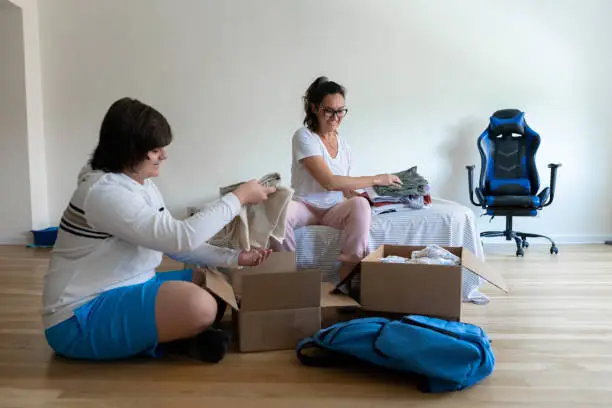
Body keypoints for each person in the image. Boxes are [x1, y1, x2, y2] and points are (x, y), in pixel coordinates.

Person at [42, 97, 276, 363]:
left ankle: (173, 337)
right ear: (128, 150)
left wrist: (235, 258)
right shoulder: (104, 194)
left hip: (132, 284)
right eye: (154, 150)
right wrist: (239, 197)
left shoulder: (139, 182)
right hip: (80, 316)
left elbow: (175, 243)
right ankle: (175, 338)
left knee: (211, 281)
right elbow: (182, 238)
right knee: (200, 306)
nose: (163, 155)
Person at [272, 77, 402, 280]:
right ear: (315, 108)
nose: (336, 116)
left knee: (360, 204)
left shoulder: (344, 146)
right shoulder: (304, 137)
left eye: (340, 110)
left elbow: (344, 188)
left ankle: (346, 279)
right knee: (277, 215)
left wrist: (372, 200)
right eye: (329, 110)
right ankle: (289, 279)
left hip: (333, 208)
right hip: (305, 206)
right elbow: (329, 182)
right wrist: (376, 179)